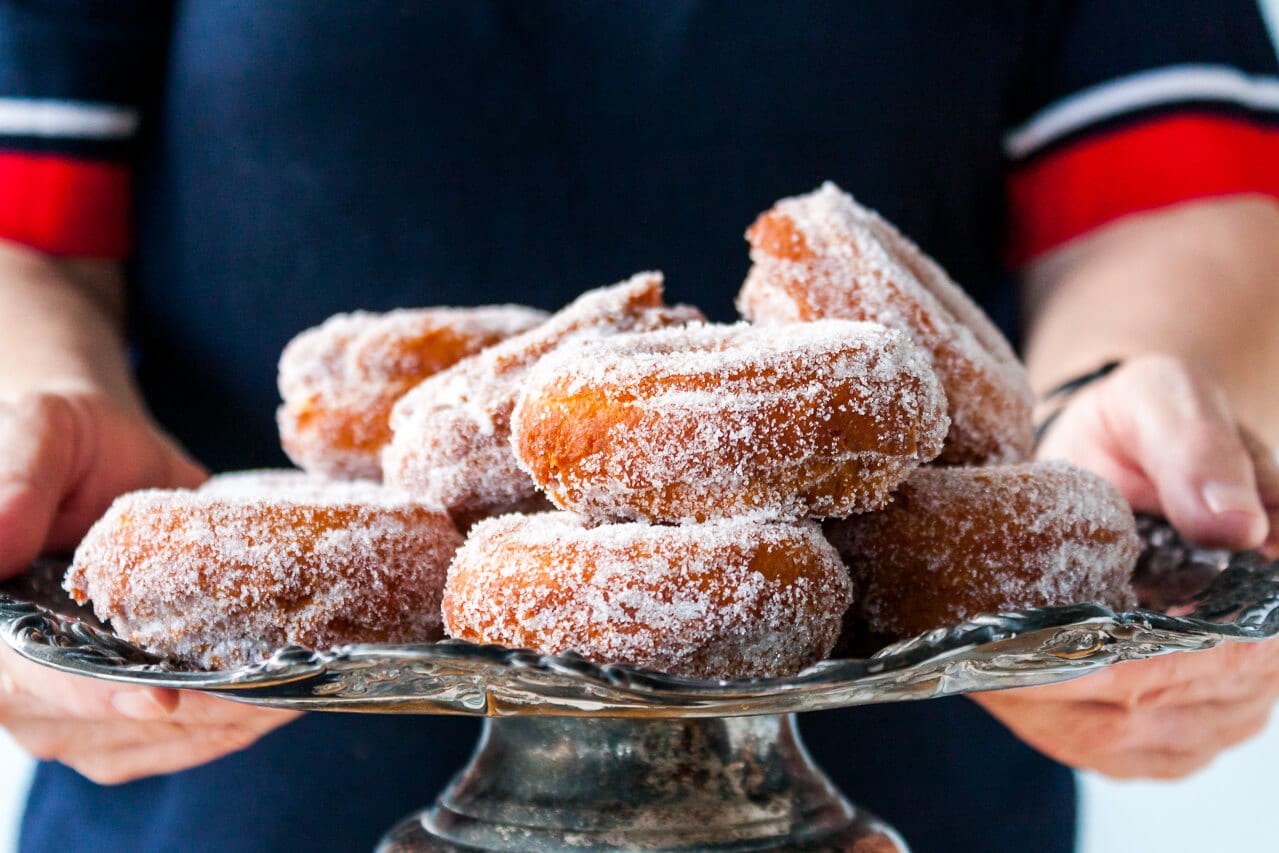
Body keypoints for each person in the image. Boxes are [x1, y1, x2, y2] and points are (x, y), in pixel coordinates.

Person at [1, 2, 1277, 851]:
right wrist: (45, 418)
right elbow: (22, 218)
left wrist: (1115, 417)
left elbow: (1175, 184)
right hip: (215, 797)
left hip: (906, 772)